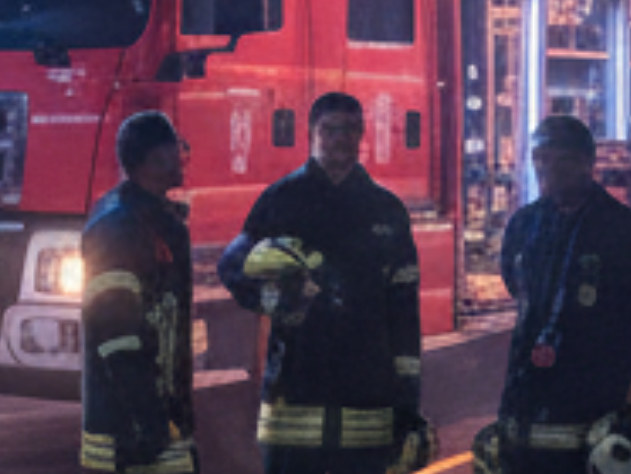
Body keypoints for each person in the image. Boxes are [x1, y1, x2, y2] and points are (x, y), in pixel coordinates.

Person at [218, 92, 425, 474]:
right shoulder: (282, 201)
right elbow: (233, 266)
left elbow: (404, 313)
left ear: (362, 134)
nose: (340, 138)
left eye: (349, 129)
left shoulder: (386, 211)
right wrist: (275, 300)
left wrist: (408, 406)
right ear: (311, 134)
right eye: (330, 130)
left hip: (368, 399)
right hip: (294, 394)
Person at [488, 115, 631, 474]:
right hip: (527, 409)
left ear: (588, 164)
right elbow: (519, 291)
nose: (548, 168)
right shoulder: (524, 225)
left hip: (596, 420)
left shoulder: (629, 232)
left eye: (562, 159)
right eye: (540, 157)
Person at [80, 111, 197, 474]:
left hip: (158, 423)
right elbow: (116, 335)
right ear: (157, 157)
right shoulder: (119, 229)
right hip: (129, 435)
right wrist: (149, 422)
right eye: (177, 149)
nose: (183, 157)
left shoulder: (153, 221)